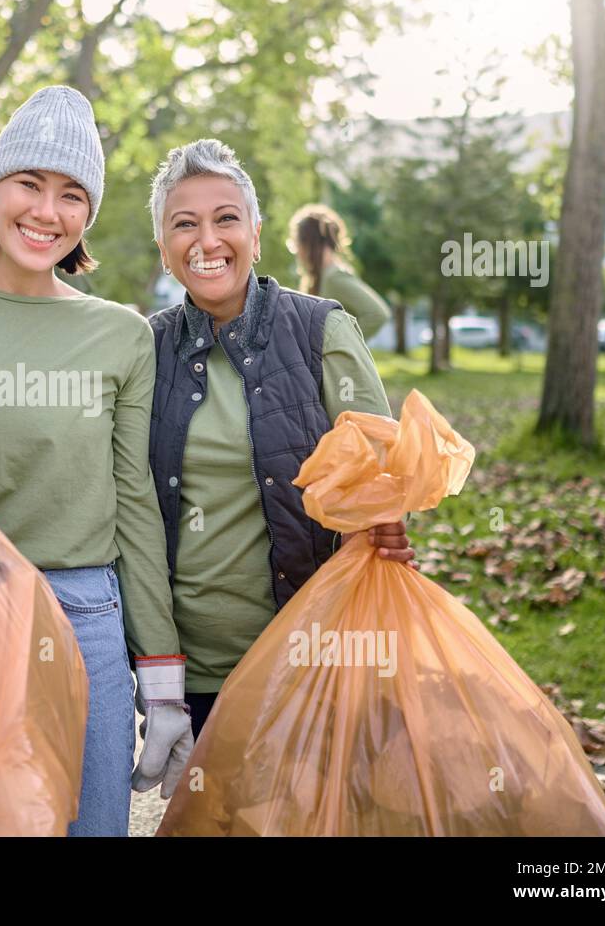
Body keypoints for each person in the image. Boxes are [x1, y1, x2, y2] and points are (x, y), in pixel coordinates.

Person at [0, 86, 173, 836]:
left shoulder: (122, 335)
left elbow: (134, 499)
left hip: (85, 616)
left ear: (88, 216)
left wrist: (162, 670)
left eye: (72, 194)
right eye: (29, 184)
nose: (47, 211)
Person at [132, 140, 415, 794]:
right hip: (195, 675)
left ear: (256, 236)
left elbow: (378, 483)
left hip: (309, 660)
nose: (208, 239)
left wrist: (385, 522)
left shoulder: (321, 330)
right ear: (163, 246)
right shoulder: (145, 349)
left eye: (226, 218)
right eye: (184, 223)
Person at [288, 203, 390, 340]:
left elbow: (378, 314)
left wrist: (338, 347)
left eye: (298, 244)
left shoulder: (334, 278)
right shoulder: (322, 277)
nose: (298, 252)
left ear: (309, 244)